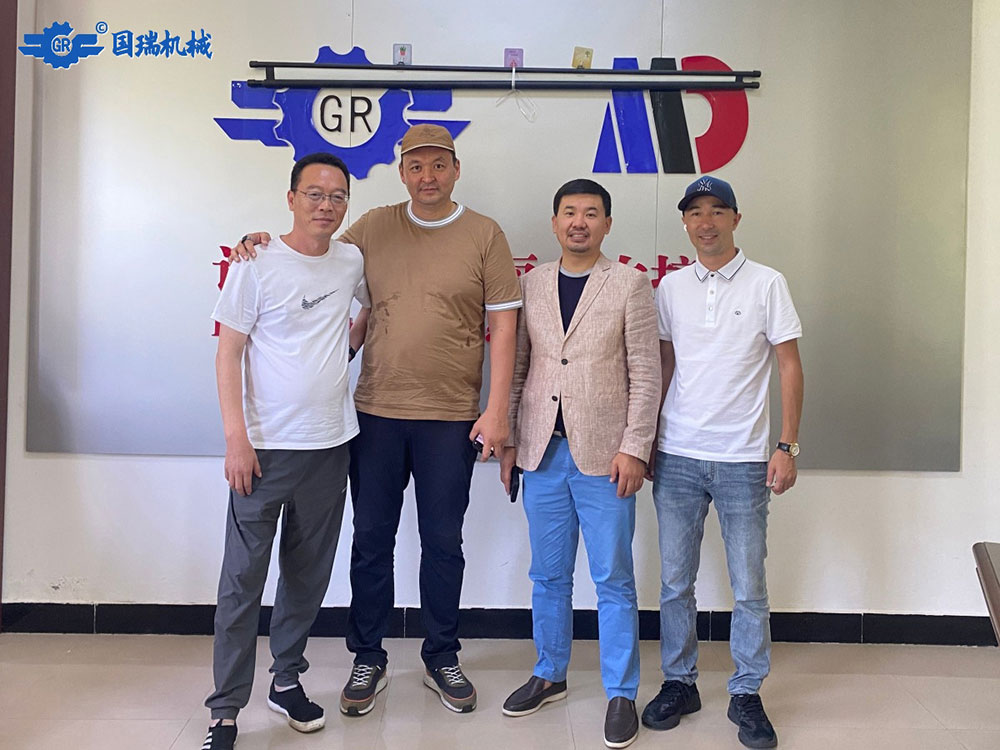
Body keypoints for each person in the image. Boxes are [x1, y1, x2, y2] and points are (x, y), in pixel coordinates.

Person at [231, 124, 522, 715]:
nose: (427, 177)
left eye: (438, 165)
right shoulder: (372, 228)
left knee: (443, 542)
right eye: (415, 166)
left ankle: (441, 655)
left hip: (451, 416)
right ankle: (368, 656)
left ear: (456, 170)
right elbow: (314, 252)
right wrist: (257, 242)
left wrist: (497, 411)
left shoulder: (484, 233)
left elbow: (505, 324)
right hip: (375, 414)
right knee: (370, 541)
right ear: (401, 172)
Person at [202, 152, 369, 750]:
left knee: (307, 575)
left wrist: (343, 352)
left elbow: (371, 311)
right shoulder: (255, 262)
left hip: (331, 445)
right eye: (315, 194)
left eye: (337, 196)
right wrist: (236, 440)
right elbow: (228, 353)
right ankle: (225, 711)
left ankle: (286, 680)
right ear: (292, 198)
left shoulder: (351, 260)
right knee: (241, 582)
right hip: (264, 450)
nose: (326, 205)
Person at [642, 176, 803, 749]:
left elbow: (789, 365)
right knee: (674, 582)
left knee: (749, 585)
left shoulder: (767, 283)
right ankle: (679, 682)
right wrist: (650, 438)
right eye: (695, 212)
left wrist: (787, 445)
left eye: (717, 210)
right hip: (678, 455)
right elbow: (664, 364)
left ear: (735, 218)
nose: (705, 222)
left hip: (743, 459)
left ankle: (746, 692)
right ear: (685, 222)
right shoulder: (671, 287)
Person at [499, 179, 660, 749]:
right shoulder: (532, 283)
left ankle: (621, 691)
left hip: (606, 457)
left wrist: (635, 448)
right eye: (569, 212)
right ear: (554, 222)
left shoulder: (630, 284)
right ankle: (550, 673)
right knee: (547, 576)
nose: (579, 222)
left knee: (613, 578)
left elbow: (646, 375)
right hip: (542, 453)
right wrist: (511, 444)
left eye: (591, 213)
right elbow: (519, 368)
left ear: (607, 224)